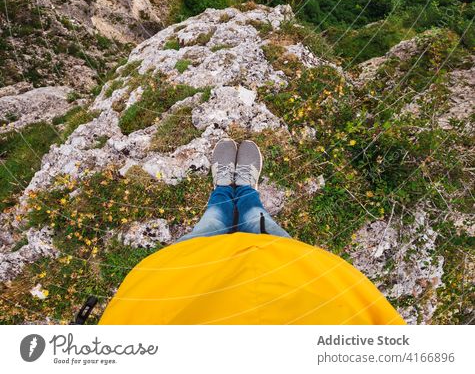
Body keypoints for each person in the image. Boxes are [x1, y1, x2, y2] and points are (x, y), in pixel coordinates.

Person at [100, 139, 405, 325]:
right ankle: (244, 191)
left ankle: (224, 191)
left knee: (209, 226)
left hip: (180, 294)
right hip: (301, 292)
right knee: (259, 224)